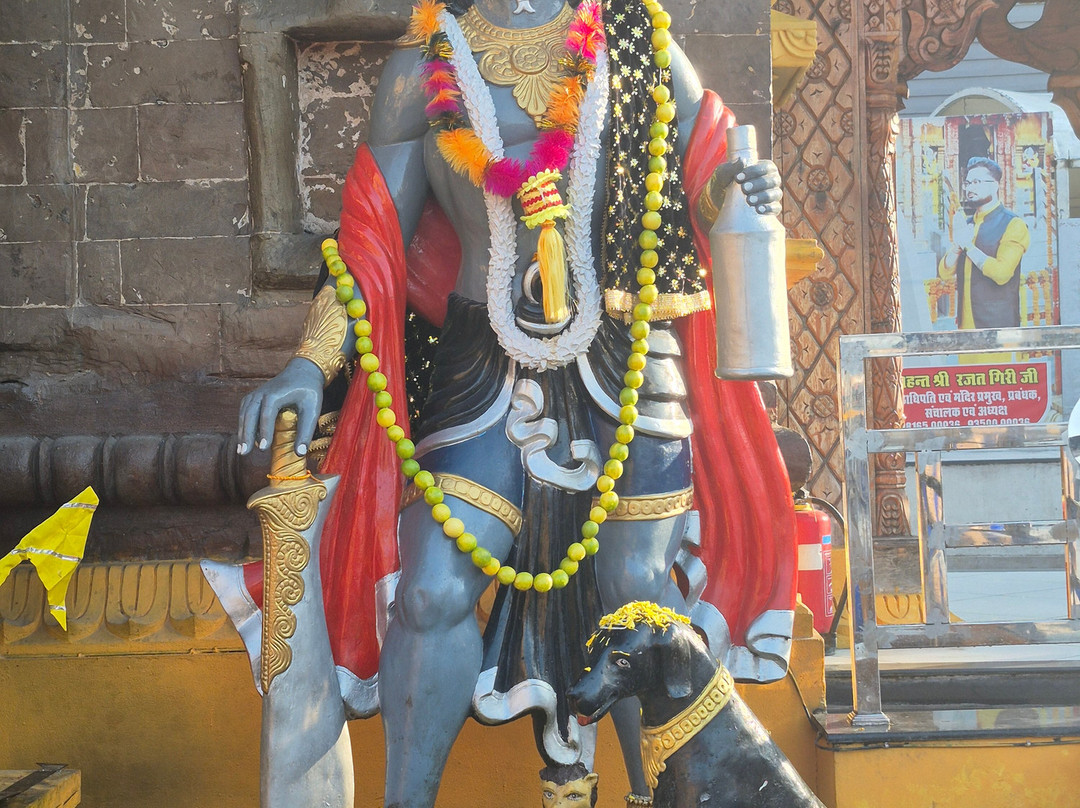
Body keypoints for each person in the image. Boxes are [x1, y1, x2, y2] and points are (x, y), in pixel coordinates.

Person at [228, 0, 797, 805]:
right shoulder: (421, 66)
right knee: (431, 591)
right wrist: (307, 366)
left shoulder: (636, 40)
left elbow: (704, 185)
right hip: (481, 357)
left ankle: (653, 797)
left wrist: (741, 189)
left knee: (637, 592)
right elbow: (371, 242)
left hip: (627, 351)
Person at [939, 156, 1031, 329]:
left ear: (995, 185)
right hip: (966, 329)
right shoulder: (968, 224)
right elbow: (944, 273)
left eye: (976, 182)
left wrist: (969, 247)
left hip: (997, 327)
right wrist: (958, 247)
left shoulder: (1013, 224)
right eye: (967, 183)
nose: (969, 188)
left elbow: (1002, 273)